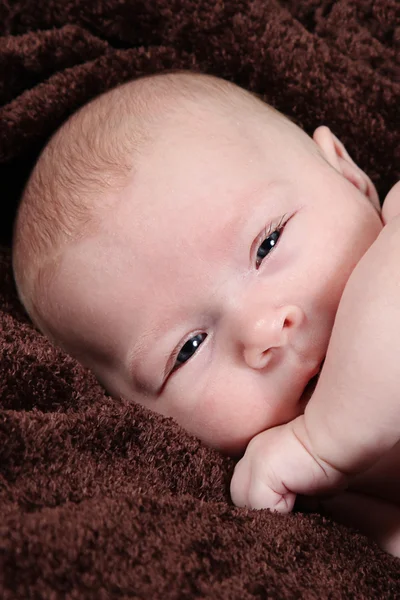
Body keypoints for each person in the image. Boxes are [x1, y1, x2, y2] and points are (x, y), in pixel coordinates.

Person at [12, 71, 400, 556]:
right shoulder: (329, 503)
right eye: (188, 349)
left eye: (268, 244)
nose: (261, 332)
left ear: (348, 176)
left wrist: (321, 446)